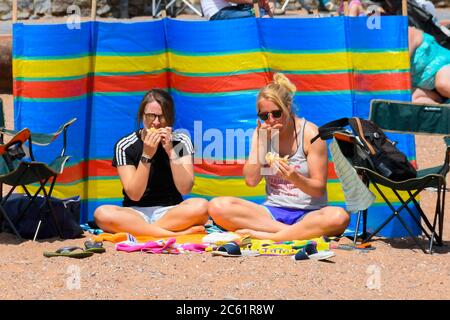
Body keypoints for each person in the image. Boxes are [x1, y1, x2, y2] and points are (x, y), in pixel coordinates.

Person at [207, 73, 350, 242]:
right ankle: (289, 233)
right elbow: (251, 181)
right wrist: (262, 143)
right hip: (272, 212)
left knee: (338, 217)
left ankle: (270, 236)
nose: (271, 120)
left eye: (276, 113)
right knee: (217, 206)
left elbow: (318, 189)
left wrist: (295, 177)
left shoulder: (310, 134)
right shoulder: (262, 133)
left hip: (309, 213)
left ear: (288, 108)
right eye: (264, 116)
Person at [94, 89, 209, 237]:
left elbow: (185, 188)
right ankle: (173, 234)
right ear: (142, 116)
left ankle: (146, 230)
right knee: (102, 213)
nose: (155, 122)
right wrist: (146, 154)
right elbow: (134, 194)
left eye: (161, 117)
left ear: (170, 118)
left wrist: (170, 151)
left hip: (171, 212)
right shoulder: (124, 145)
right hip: (135, 212)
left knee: (202, 206)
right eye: (150, 116)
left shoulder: (181, 141)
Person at [409, 27, 450, 104]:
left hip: (444, 66)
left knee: (443, 83)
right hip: (427, 89)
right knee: (410, 100)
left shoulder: (406, 34)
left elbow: (397, 66)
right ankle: (442, 111)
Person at [201, 0, 272, 20]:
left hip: (225, 11)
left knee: (259, 10)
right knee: (259, 13)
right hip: (218, 13)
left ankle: (263, 15)